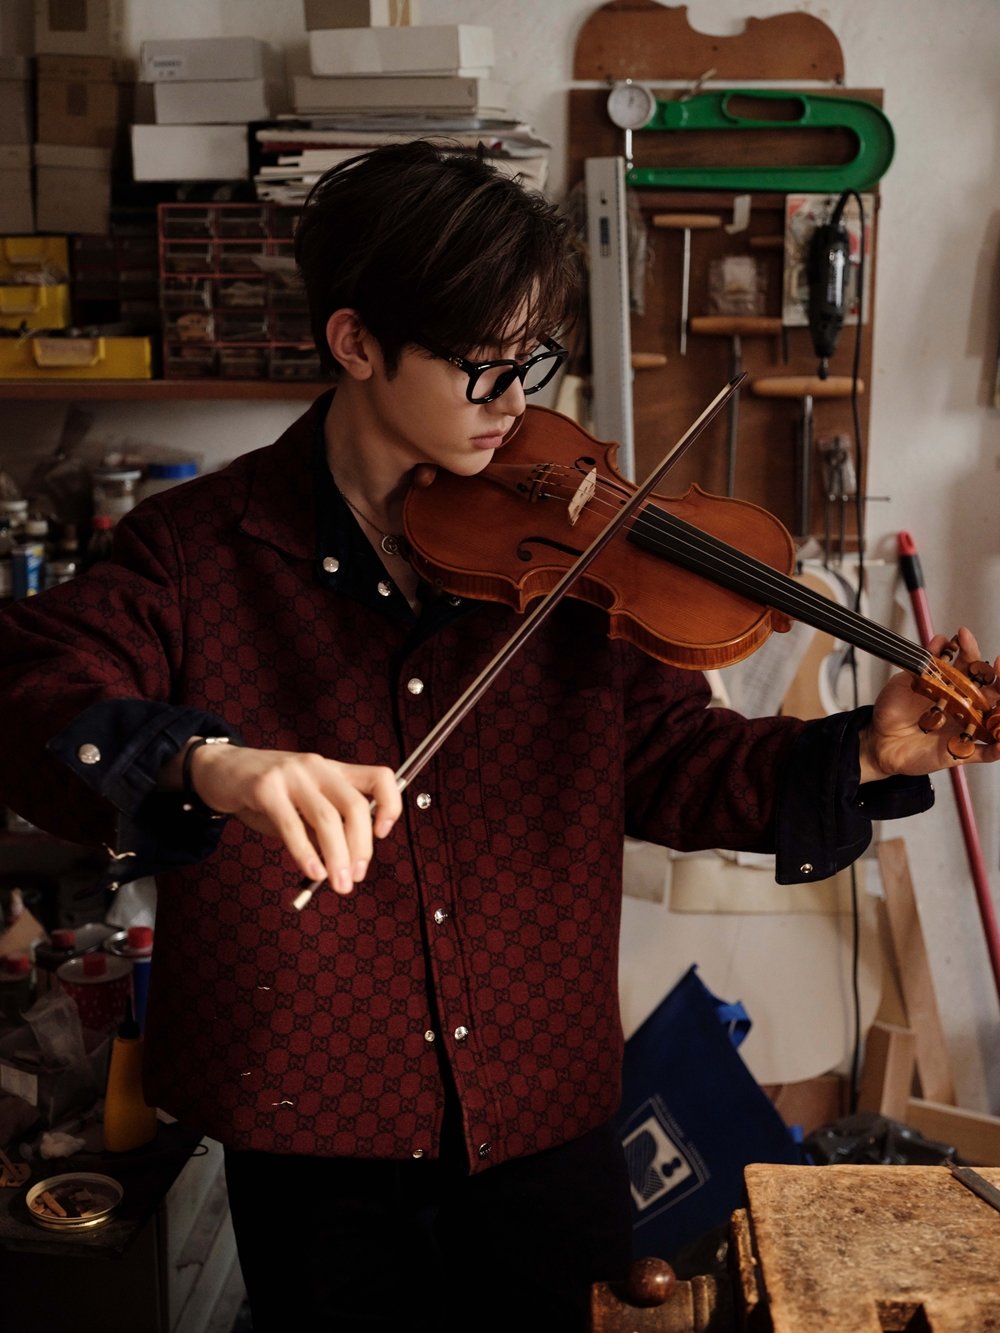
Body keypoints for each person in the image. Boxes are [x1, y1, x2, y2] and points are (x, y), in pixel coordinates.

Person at [0, 141, 995, 1332]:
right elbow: (31, 691)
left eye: (533, 360)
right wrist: (208, 763)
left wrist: (869, 751)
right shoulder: (195, 549)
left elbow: (676, 762)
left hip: (541, 1121)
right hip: (314, 1142)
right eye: (481, 365)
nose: (518, 401)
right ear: (356, 342)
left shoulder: (571, 547)